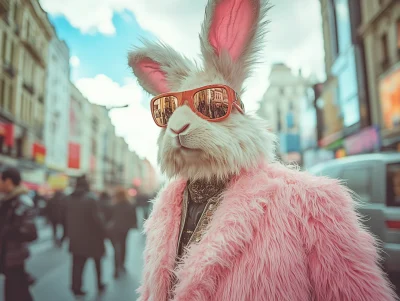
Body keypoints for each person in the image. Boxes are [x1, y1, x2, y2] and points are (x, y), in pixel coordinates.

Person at [128, 0, 396, 299]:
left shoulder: (311, 203)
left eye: (212, 103)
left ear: (239, 112)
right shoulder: (166, 204)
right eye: (170, 109)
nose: (178, 124)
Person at [64, 175, 106, 297]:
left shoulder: (68, 198)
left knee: (76, 265)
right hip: (92, 238)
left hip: (75, 238)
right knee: (97, 262)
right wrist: (104, 233)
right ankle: (99, 283)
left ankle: (76, 287)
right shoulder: (91, 199)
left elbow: (63, 218)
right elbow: (98, 220)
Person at [0, 168, 37, 301]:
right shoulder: (6, 201)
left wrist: (8, 230)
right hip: (7, 257)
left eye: (0, 179)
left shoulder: (22, 202)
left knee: (15, 295)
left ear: (8, 181)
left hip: (15, 257)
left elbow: (32, 233)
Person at [107, 187, 137, 278]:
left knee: (116, 248)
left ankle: (116, 268)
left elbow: (108, 218)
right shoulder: (130, 205)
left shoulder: (113, 205)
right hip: (125, 229)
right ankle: (122, 265)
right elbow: (133, 217)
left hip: (115, 229)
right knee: (123, 245)